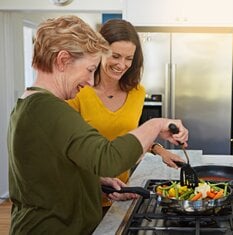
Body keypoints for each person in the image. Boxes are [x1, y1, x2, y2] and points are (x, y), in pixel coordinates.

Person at [7, 15, 188, 234]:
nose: (91, 81)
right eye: (90, 69)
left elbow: (58, 169)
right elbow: (107, 159)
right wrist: (156, 124)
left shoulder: (29, 104)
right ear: (63, 60)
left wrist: (95, 182)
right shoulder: (49, 109)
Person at [66, 19, 184, 208]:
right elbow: (66, 148)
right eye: (116, 56)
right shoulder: (79, 90)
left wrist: (159, 150)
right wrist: (98, 180)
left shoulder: (137, 93)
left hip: (121, 192)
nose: (122, 64)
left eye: (129, 58)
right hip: (83, 196)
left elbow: (128, 136)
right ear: (99, 52)